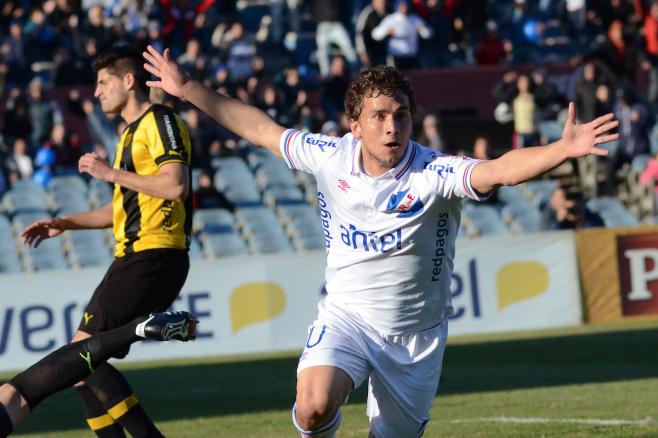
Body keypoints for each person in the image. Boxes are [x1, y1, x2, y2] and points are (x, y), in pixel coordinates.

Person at [143, 45, 618, 438]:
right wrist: (187, 89)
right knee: (311, 406)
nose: (393, 127)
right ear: (356, 124)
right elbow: (259, 128)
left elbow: (498, 170)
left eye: (401, 115)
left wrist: (561, 149)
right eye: (380, 116)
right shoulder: (329, 157)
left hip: (416, 335)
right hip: (347, 317)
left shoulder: (434, 172)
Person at [20, 45, 192, 438]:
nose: (96, 92)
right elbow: (123, 210)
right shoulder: (128, 134)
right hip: (133, 256)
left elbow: (175, 185)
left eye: (102, 83)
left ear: (128, 81)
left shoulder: (160, 121)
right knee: (80, 369)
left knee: (80, 356)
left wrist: (111, 173)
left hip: (155, 254)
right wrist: (65, 222)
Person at [0, 311, 197, 438]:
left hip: (147, 256)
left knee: (24, 391)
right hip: (152, 259)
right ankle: (138, 328)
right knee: (23, 391)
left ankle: (138, 328)